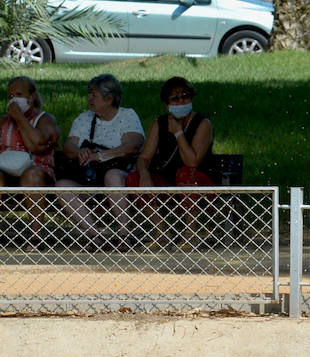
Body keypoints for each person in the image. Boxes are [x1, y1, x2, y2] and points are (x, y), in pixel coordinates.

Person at [56, 74, 144, 246]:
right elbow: (68, 147)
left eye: (94, 95)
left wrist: (101, 156)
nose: (89, 99)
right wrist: (79, 151)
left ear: (109, 99)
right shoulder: (84, 119)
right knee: (61, 187)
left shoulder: (127, 116)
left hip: (121, 174)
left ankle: (124, 235)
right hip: (90, 178)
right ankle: (95, 236)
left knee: (112, 176)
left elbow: (131, 146)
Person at [126, 77, 215, 246]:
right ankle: (161, 231)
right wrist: (144, 173)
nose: (181, 101)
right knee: (134, 178)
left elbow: (192, 162)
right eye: (175, 98)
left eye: (185, 96)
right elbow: (144, 157)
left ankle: (191, 232)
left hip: (199, 182)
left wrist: (178, 133)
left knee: (185, 173)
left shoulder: (203, 124)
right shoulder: (159, 123)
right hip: (168, 181)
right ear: (167, 104)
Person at [0, 76, 59, 250]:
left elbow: (39, 145)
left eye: (19, 94)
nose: (14, 100)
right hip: (5, 171)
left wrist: (20, 118)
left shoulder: (45, 119)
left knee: (32, 175)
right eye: (10, 96)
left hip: (36, 172)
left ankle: (36, 238)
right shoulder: (2, 120)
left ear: (31, 98)